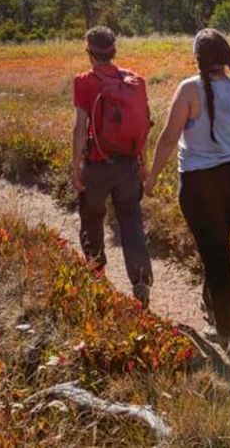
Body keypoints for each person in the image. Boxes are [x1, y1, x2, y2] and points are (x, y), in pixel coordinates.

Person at [144, 29, 230, 342]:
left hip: (198, 184)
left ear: (198, 58)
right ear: (227, 58)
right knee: (216, 247)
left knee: (215, 254)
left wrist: (153, 176)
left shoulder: (188, 90)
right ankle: (212, 304)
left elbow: (170, 137)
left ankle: (225, 329)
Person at [72, 26, 154, 307]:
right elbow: (143, 127)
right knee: (130, 219)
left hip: (96, 165)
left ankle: (96, 275)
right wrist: (144, 163)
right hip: (128, 165)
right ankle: (141, 278)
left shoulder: (84, 81)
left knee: (92, 217)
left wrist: (75, 167)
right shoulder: (135, 81)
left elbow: (80, 128)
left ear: (89, 52)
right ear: (113, 50)